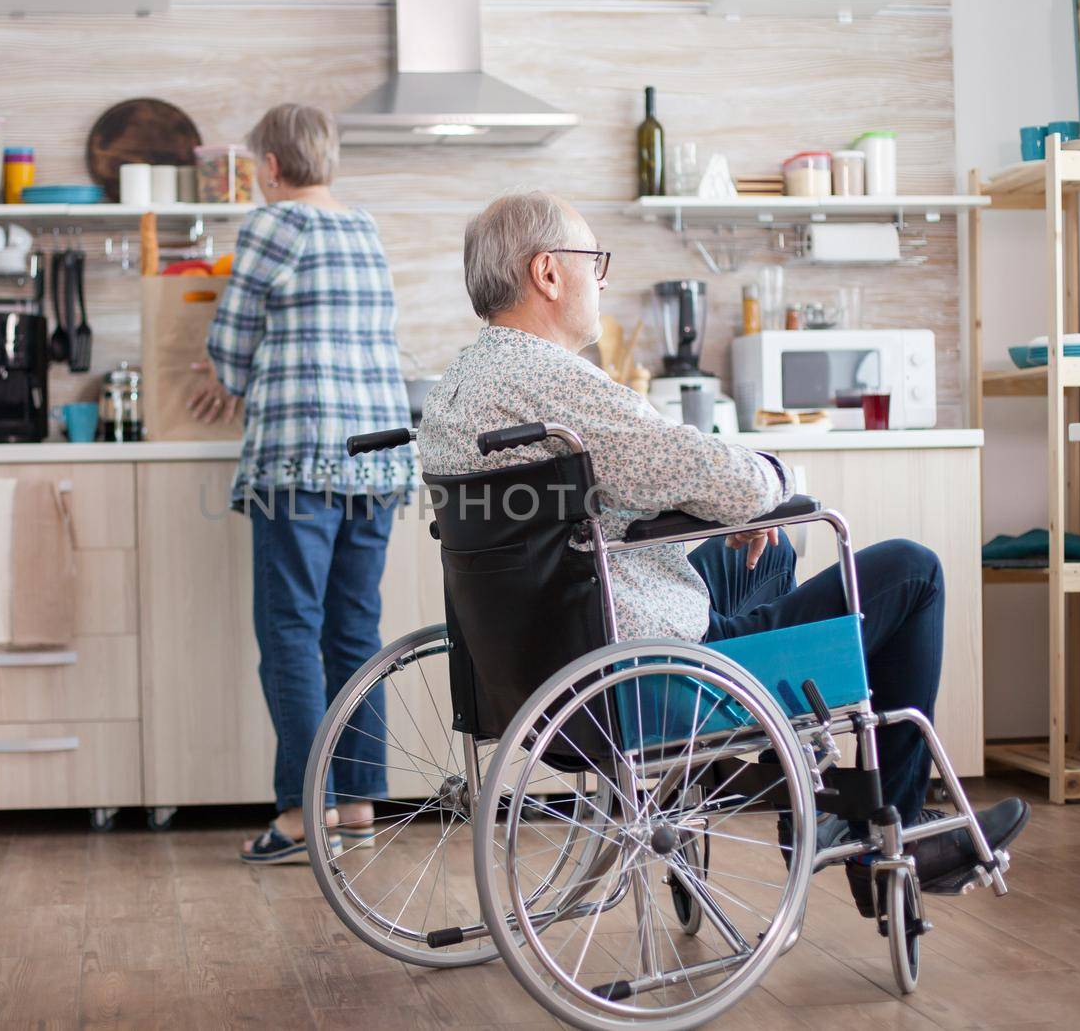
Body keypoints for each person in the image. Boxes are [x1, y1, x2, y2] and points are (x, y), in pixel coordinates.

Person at [416, 190, 1028, 910]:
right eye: (594, 261)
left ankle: (789, 793)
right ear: (548, 273)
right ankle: (884, 827)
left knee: (764, 555)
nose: (602, 280)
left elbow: (634, 478)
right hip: (642, 672)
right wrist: (771, 480)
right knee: (911, 571)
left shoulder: (459, 383)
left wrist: (736, 511)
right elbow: (698, 464)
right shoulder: (552, 378)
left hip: (540, 666)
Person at [190, 104, 414, 864]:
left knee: (290, 628)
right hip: (377, 456)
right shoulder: (365, 229)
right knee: (354, 630)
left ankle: (298, 813)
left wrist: (227, 374)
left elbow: (228, 346)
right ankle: (355, 804)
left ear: (272, 167)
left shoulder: (270, 226)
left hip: (300, 457)